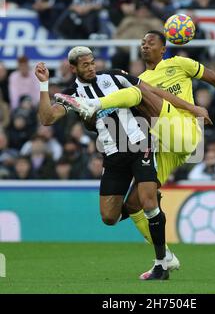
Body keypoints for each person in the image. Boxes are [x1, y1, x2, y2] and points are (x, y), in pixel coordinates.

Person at [55, 31, 215, 278]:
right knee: (136, 204)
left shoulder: (178, 64)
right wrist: (91, 121)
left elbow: (214, 78)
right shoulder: (138, 78)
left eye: (151, 43)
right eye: (142, 42)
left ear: (163, 49)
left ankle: (94, 103)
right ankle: (163, 261)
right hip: (165, 145)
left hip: (183, 129)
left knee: (140, 93)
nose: (145, 45)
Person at [35, 47, 205, 280]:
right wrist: (43, 85)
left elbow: (152, 91)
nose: (91, 67)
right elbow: (47, 118)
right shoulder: (72, 93)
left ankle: (161, 263)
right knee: (109, 217)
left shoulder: (115, 76)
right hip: (113, 155)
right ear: (73, 68)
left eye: (93, 62)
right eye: (85, 65)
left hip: (139, 144)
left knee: (148, 202)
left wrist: (192, 107)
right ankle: (164, 253)